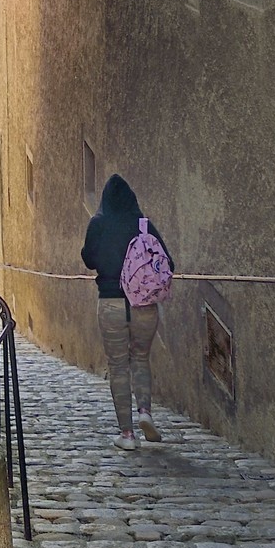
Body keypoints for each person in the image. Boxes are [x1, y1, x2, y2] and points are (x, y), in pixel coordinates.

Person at [80, 173, 172, 449]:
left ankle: (127, 435)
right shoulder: (143, 225)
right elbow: (169, 263)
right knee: (141, 359)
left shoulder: (99, 223)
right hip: (143, 305)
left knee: (118, 366)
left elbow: (88, 259)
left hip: (111, 303)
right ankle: (145, 412)